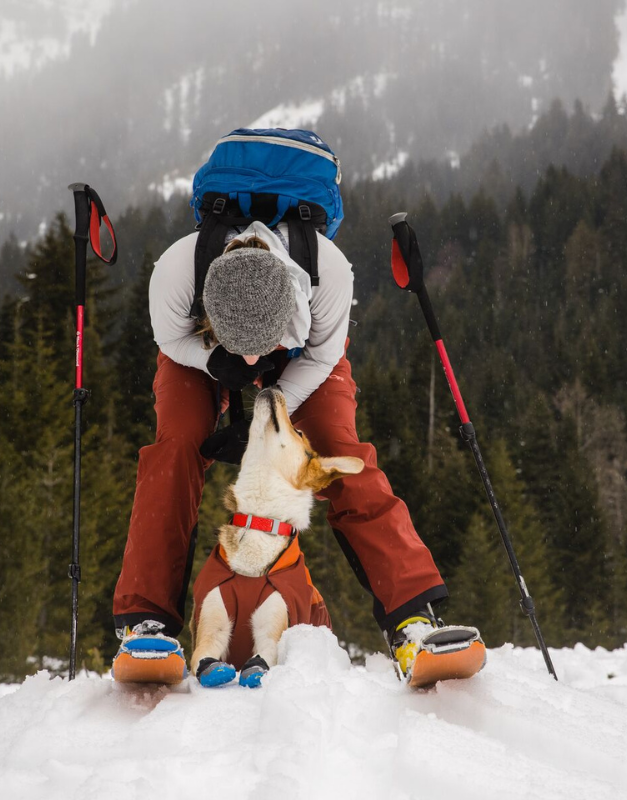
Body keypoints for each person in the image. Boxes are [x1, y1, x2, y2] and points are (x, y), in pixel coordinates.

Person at [111, 213, 477, 683]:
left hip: (305, 359)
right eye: (240, 347)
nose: (251, 361)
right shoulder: (177, 271)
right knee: (175, 449)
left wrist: (273, 414)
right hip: (197, 352)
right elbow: (170, 339)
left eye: (257, 348)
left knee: (339, 453)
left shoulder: (330, 273)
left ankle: (413, 619)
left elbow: (324, 356)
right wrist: (215, 361)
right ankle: (148, 621)